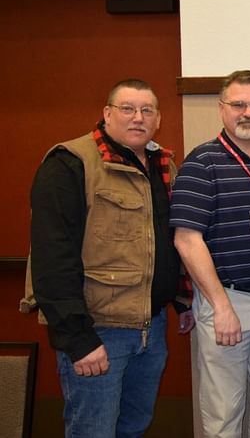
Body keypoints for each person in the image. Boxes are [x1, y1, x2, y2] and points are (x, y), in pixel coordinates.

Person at [25, 79, 194, 437]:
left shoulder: (162, 166)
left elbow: (167, 242)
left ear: (158, 119)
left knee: (133, 428)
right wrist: (78, 339)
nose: (138, 118)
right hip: (98, 331)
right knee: (93, 431)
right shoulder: (70, 164)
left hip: (152, 329)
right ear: (106, 114)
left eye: (147, 110)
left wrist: (181, 300)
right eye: (127, 109)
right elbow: (52, 257)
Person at [171, 70, 250, 437]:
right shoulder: (201, 163)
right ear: (222, 109)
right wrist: (220, 306)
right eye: (238, 105)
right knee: (223, 415)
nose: (248, 112)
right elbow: (186, 240)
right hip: (227, 301)